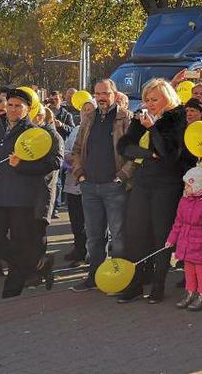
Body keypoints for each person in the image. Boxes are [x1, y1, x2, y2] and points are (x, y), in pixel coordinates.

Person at [0, 87, 62, 298]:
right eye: (10, 105)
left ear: (28, 109)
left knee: (19, 245)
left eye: (18, 106)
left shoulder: (36, 133)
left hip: (22, 199)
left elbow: (52, 164)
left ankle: (11, 293)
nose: (12, 109)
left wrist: (22, 165)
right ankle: (37, 265)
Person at [116, 79, 193, 303]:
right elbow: (124, 147)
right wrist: (149, 154)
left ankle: (158, 284)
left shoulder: (177, 118)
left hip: (167, 184)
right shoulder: (141, 116)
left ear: (167, 98)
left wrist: (152, 128)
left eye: (154, 99)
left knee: (161, 235)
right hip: (142, 181)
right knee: (136, 232)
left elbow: (168, 153)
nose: (150, 104)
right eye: (147, 99)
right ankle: (136, 283)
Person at [70, 79, 133, 292]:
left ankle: (118, 279)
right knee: (94, 236)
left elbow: (134, 153)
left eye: (105, 93)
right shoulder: (89, 118)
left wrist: (122, 176)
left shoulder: (126, 118)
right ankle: (94, 277)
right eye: (97, 94)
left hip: (114, 187)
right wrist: (79, 174)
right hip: (89, 187)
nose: (101, 98)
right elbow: (77, 149)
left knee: (119, 237)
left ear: (114, 94)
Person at [167, 164, 202, 312]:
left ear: (197, 186)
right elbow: (178, 222)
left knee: (201, 271)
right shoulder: (184, 201)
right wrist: (171, 239)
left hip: (200, 245)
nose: (185, 188)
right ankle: (190, 293)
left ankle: (201, 295)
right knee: (188, 270)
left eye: (188, 185)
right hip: (186, 242)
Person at [60, 100, 93, 266]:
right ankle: (78, 248)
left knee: (90, 221)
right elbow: (66, 151)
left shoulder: (97, 130)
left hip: (90, 182)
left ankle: (89, 253)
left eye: (90, 109)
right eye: (84, 109)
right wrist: (69, 161)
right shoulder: (75, 129)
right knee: (76, 220)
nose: (86, 112)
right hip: (72, 181)